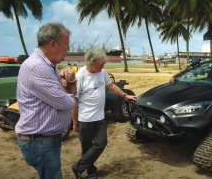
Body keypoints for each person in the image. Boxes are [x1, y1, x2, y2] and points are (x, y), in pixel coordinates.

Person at [15, 23, 76, 179]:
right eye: (66, 43)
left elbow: (62, 96)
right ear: (53, 44)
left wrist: (66, 84)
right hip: (40, 142)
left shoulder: (48, 66)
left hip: (43, 140)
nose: (68, 48)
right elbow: (67, 103)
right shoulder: (38, 67)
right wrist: (68, 91)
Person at [71, 48, 137, 179]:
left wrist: (125, 95)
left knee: (101, 143)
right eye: (101, 64)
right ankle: (91, 172)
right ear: (92, 63)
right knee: (87, 147)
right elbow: (74, 102)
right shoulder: (80, 77)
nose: (103, 66)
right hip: (85, 119)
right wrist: (75, 122)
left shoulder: (102, 72)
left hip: (100, 117)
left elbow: (111, 86)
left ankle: (77, 167)